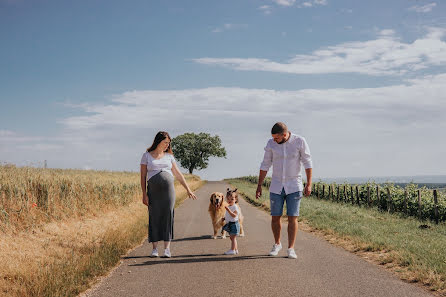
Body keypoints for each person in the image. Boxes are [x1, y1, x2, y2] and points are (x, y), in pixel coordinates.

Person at [256, 122, 312, 259]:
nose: (274, 140)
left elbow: (307, 162)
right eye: (273, 138)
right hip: (276, 185)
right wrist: (259, 185)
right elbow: (265, 164)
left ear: (285, 134)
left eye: (277, 138)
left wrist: (309, 184)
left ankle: (291, 248)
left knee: (293, 218)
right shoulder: (271, 144)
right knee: (275, 217)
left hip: (294, 185)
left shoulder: (299, 141)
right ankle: (277, 244)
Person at [140, 131, 197, 258]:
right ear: (158, 141)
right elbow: (143, 177)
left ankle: (167, 249)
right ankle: (154, 249)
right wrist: (144, 194)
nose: (167, 145)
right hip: (153, 192)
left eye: (168, 143)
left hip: (168, 192)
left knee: (168, 216)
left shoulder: (169, 156)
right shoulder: (146, 156)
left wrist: (188, 189)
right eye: (165, 142)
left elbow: (178, 174)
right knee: (154, 216)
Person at [222, 189, 241, 255]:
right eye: (228, 199)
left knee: (233, 238)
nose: (230, 201)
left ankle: (232, 250)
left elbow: (234, 215)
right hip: (230, 224)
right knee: (232, 238)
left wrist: (228, 210)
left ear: (235, 199)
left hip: (234, 225)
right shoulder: (230, 206)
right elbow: (228, 216)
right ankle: (236, 249)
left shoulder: (235, 207)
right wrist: (224, 218)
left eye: (232, 199)